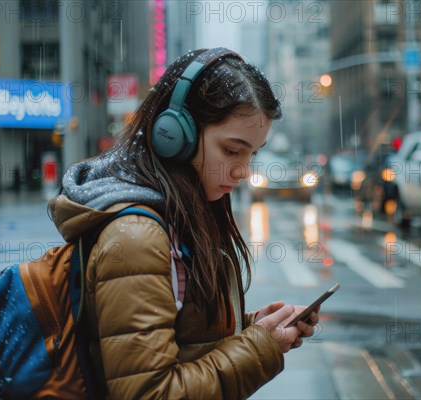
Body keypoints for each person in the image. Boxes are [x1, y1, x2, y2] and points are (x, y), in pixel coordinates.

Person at [48, 48, 319, 399]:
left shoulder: (173, 216)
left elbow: (177, 341)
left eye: (253, 153)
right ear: (174, 135)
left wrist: (252, 329)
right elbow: (149, 392)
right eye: (232, 150)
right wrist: (256, 349)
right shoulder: (136, 239)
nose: (243, 171)